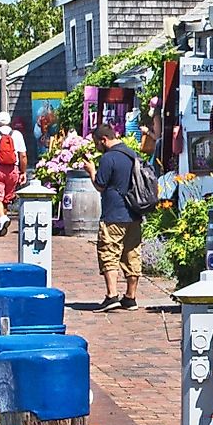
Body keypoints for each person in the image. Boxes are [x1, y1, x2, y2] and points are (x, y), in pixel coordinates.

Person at [91, 122, 149, 309]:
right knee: (132, 253)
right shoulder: (133, 155)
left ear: (104, 140)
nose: (95, 147)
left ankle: (112, 295)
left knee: (109, 252)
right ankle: (130, 297)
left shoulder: (109, 158)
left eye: (96, 143)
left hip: (113, 213)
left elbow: (100, 185)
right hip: (134, 212)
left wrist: (91, 171)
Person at [0, 115, 29, 221]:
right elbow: (23, 156)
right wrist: (23, 172)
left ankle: (3, 218)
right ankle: (2, 223)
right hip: (13, 170)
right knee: (6, 199)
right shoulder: (17, 134)